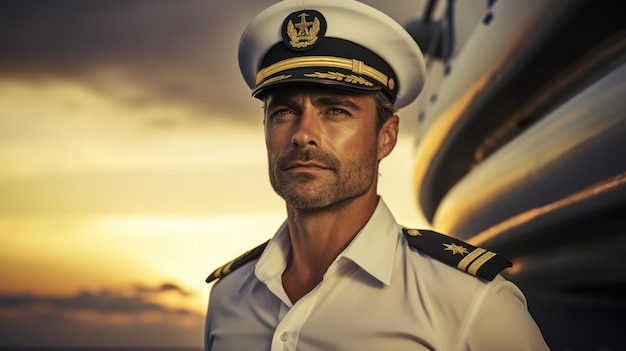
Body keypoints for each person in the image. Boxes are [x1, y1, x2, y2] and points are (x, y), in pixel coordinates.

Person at [204, 0, 549, 350]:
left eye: (336, 110)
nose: (302, 133)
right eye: (284, 111)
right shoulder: (228, 296)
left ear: (386, 137)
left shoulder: (470, 301)